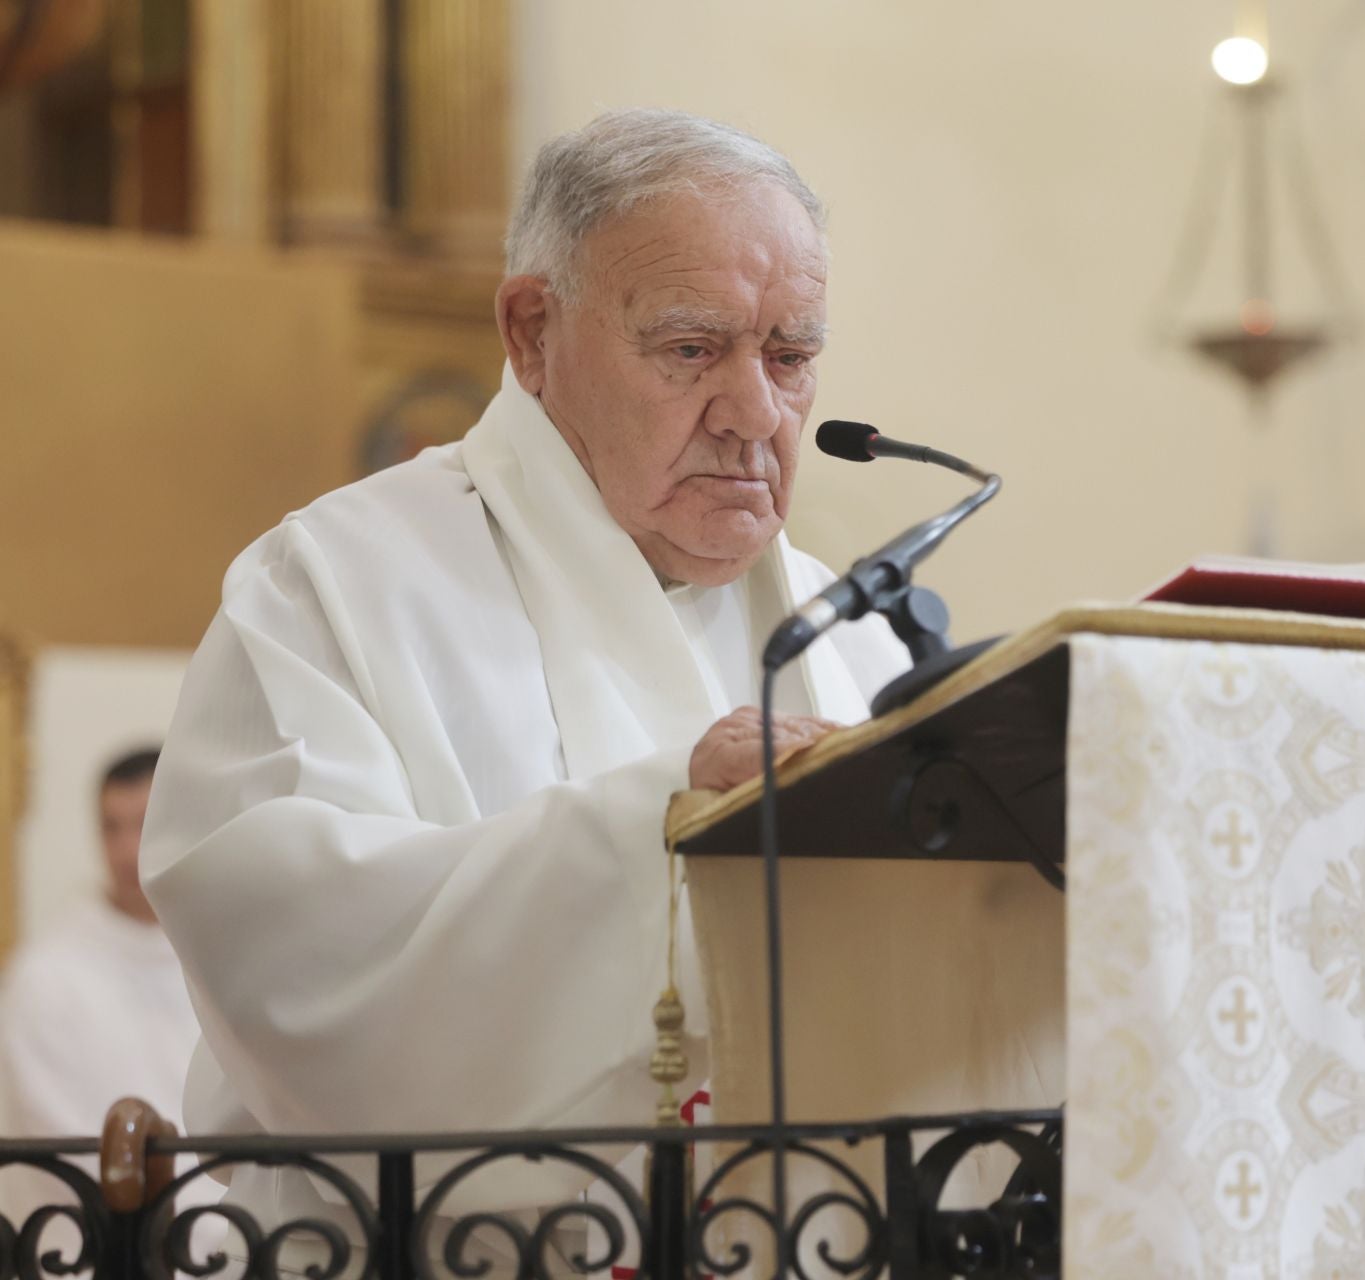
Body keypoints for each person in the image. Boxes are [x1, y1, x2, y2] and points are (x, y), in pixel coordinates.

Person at [137, 109, 910, 1238]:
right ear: (533, 331)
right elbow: (298, 967)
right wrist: (670, 814)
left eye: (791, 358)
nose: (757, 413)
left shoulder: (851, 635)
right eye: (692, 349)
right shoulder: (336, 585)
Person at [0, 747, 199, 1136]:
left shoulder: (227, 956)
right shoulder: (47, 976)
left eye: (144, 824)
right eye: (111, 827)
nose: (126, 852)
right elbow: (53, 1135)